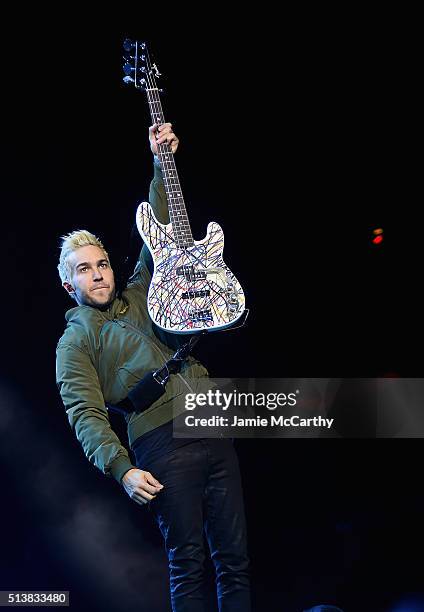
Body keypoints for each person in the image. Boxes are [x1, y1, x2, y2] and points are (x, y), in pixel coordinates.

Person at [55, 123, 251, 612]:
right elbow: (85, 415)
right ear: (67, 285)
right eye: (83, 269)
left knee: (235, 559)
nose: (97, 273)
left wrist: (163, 162)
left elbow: (160, 226)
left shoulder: (145, 291)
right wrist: (122, 470)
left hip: (209, 415)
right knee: (188, 563)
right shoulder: (75, 342)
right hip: (160, 442)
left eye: (101, 263)